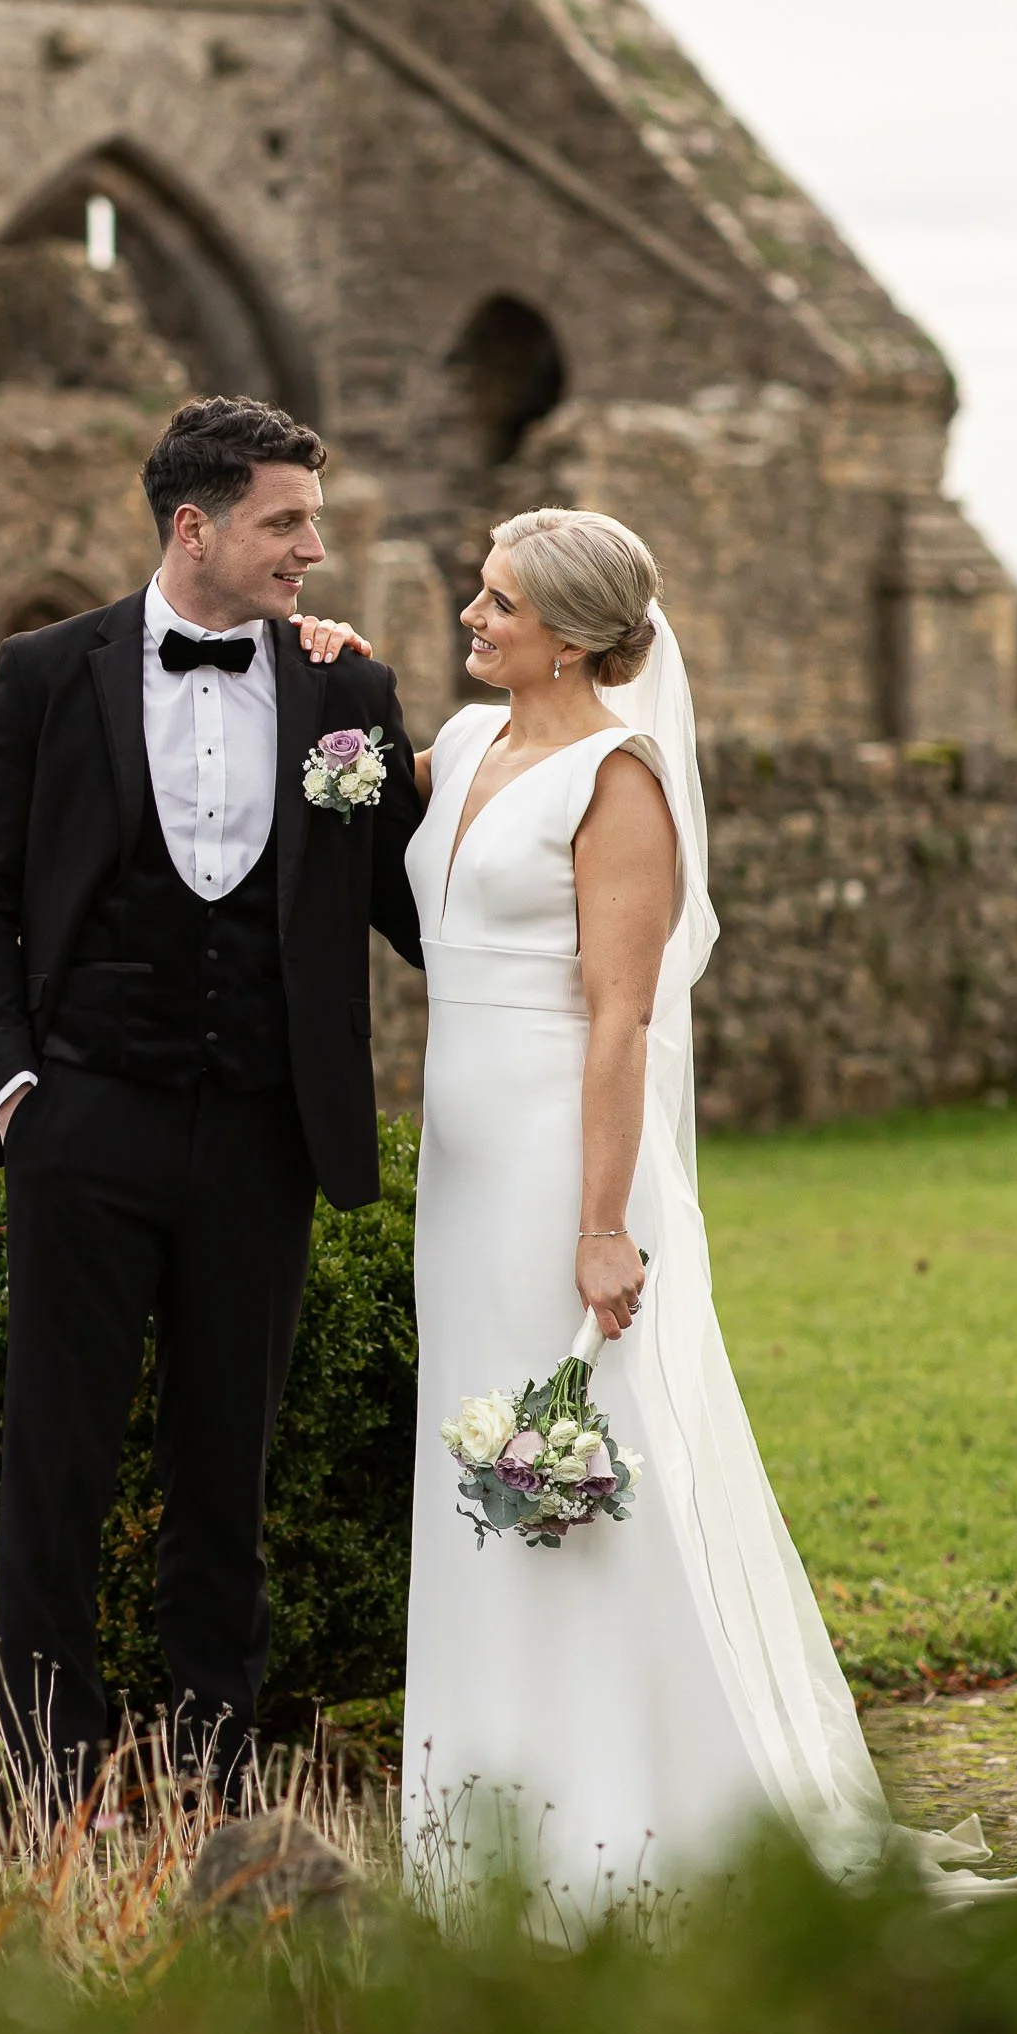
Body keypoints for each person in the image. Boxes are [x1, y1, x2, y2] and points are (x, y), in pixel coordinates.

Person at [401, 505, 906, 1928]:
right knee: (474, 1458)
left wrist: (603, 1222)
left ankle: (637, 1813)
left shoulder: (620, 782)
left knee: (584, 1457)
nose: (473, 618)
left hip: (567, 1166)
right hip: (462, 1171)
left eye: (498, 604)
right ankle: (481, 1807)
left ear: (571, 634)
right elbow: (382, 802)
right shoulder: (465, 749)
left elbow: (620, 1015)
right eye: (479, 597)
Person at [0, 395, 424, 1797]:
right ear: (192, 525)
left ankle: (217, 1766)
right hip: (86, 1120)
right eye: (286, 523)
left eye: (315, 524)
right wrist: (15, 1083)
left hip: (267, 1132)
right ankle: (47, 1768)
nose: (313, 552)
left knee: (228, 1471)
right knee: (58, 1465)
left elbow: (409, 895)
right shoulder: (47, 673)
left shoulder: (347, 694)